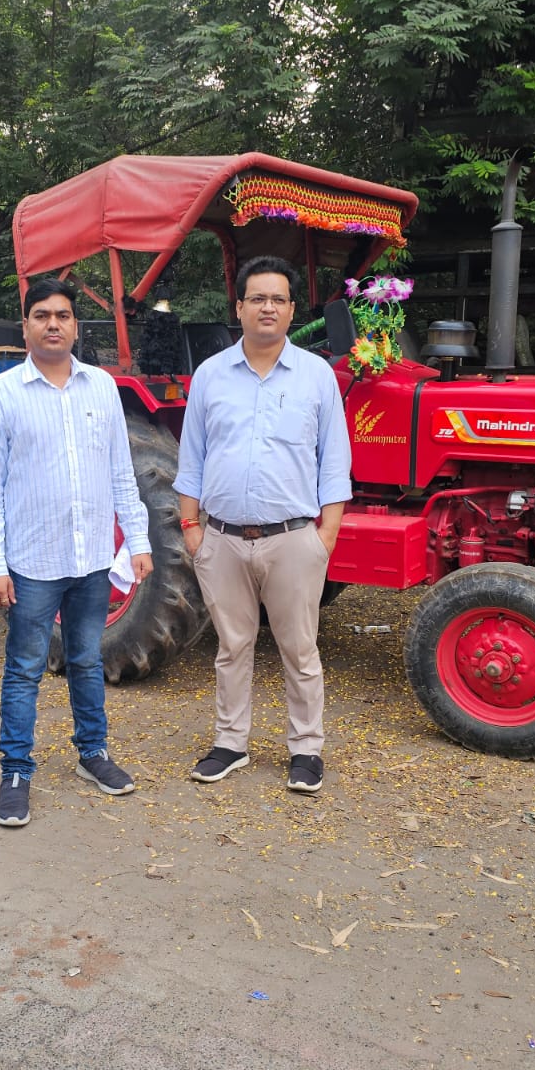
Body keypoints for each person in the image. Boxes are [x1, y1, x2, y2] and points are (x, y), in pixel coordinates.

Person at [0, 278, 155, 827]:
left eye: (64, 315)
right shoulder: (1, 394)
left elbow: (122, 472)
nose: (54, 324)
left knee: (87, 660)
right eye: (42, 315)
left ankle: (92, 753)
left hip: (92, 559)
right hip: (32, 563)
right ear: (25, 326)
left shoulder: (102, 388)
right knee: (24, 668)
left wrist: (138, 540)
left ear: (76, 326)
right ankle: (15, 771)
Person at [173, 255, 352, 793]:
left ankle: (306, 749)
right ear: (240, 308)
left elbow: (334, 462)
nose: (267, 307)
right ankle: (231, 742)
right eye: (257, 298)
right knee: (232, 646)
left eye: (277, 299)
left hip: (293, 538)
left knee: (300, 648)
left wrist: (325, 537)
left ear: (292, 310)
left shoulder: (316, 376)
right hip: (222, 539)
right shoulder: (211, 375)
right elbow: (191, 459)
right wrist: (192, 529)